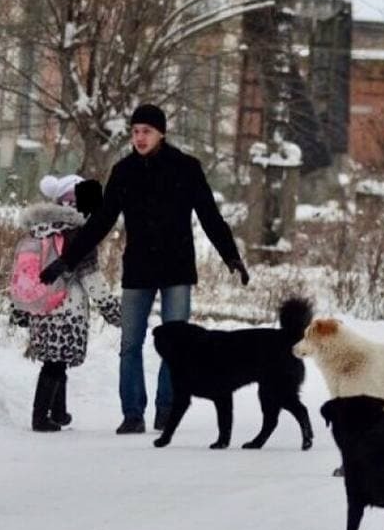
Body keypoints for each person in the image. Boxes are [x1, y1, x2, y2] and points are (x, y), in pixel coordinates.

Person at [40, 103, 248, 434]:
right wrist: (67, 260)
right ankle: (133, 414)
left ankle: (166, 409)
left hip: (177, 269)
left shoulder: (186, 168)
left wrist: (231, 255)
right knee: (129, 344)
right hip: (138, 269)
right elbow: (101, 222)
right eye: (135, 131)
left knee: (177, 346)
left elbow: (210, 215)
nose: (139, 137)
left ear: (161, 133)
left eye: (146, 131)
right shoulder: (124, 172)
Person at [14, 173, 121, 432]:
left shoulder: (38, 230)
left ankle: (59, 413)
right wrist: (113, 310)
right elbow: (91, 277)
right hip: (67, 308)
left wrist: (19, 308)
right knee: (54, 364)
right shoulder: (79, 234)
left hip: (41, 306)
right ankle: (40, 418)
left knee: (55, 360)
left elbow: (21, 272)